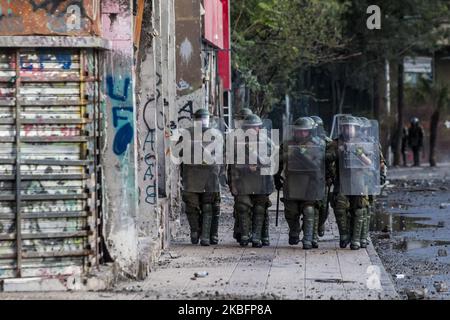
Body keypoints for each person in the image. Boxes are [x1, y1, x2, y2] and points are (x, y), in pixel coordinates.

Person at [326, 115, 383, 250]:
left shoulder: (364, 142)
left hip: (360, 180)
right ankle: (344, 235)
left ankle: (356, 239)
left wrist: (359, 153)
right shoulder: (336, 143)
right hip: (342, 180)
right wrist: (336, 153)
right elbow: (325, 158)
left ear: (356, 128)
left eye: (350, 127)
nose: (347, 130)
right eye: (345, 127)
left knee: (359, 209)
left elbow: (372, 162)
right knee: (339, 208)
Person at [275, 117, 326, 249]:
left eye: (304, 131)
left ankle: (308, 239)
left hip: (311, 183)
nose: (301, 134)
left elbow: (317, 165)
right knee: (291, 212)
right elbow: (278, 160)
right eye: (299, 131)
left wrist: (302, 154)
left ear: (309, 131)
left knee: (309, 210)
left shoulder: (317, 144)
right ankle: (294, 231)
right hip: (292, 182)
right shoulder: (287, 144)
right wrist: (276, 177)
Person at [228, 114, 275, 248]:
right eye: (250, 128)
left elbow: (273, 161)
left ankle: (257, 236)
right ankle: (244, 234)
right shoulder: (237, 143)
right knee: (242, 206)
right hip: (243, 181)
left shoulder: (267, 142)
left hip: (261, 181)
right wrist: (244, 169)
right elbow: (232, 164)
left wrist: (260, 167)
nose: (253, 130)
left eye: (255, 127)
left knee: (260, 208)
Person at [180, 108, 223, 246]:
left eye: (203, 119)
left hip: (204, 176)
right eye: (201, 120)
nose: (202, 122)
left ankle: (203, 235)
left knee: (205, 206)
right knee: (197, 206)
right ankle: (198, 233)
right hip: (196, 175)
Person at [310, 115, 332, 238]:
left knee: (323, 207)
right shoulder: (303, 142)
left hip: (323, 179)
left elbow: (333, 161)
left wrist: (331, 176)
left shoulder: (328, 142)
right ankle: (310, 231)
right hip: (306, 179)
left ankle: (320, 224)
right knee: (311, 206)